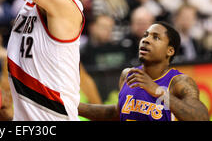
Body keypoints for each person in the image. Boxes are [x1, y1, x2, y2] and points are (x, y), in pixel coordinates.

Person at [77, 22, 209, 121]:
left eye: (156, 37)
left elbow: (202, 117)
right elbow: (117, 113)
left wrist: (159, 91)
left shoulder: (179, 82)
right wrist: (73, 106)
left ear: (170, 51)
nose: (146, 40)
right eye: (146, 35)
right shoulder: (128, 75)